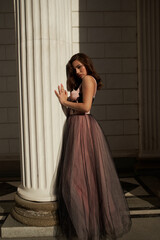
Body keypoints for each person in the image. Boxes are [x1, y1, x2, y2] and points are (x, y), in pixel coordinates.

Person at [54, 53, 131, 240]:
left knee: (78, 181)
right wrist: (64, 102)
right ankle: (86, 229)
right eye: (74, 68)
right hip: (74, 128)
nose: (78, 71)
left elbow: (86, 107)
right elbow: (70, 113)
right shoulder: (79, 84)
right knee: (76, 180)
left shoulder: (89, 79)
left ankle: (88, 229)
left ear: (87, 65)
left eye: (80, 66)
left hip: (84, 130)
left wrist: (66, 101)